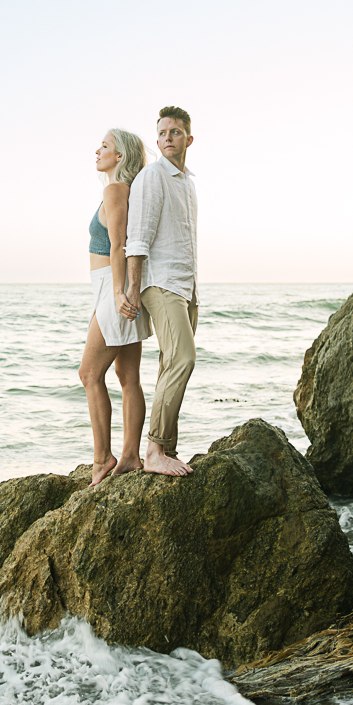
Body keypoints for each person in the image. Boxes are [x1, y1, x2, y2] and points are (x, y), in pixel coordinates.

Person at [125, 106, 198, 477]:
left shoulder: (188, 182)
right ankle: (154, 451)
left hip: (186, 286)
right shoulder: (152, 177)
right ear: (157, 141)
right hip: (161, 283)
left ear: (189, 138)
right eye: (163, 133)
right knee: (183, 359)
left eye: (176, 132)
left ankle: (165, 448)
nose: (169, 137)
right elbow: (137, 236)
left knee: (172, 364)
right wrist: (133, 290)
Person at [79, 129, 152, 486]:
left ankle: (101, 459)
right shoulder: (124, 191)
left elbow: (119, 243)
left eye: (105, 146)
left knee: (89, 374)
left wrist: (121, 292)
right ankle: (130, 457)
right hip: (113, 286)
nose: (98, 150)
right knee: (128, 379)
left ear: (120, 157)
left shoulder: (115, 190)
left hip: (112, 287)